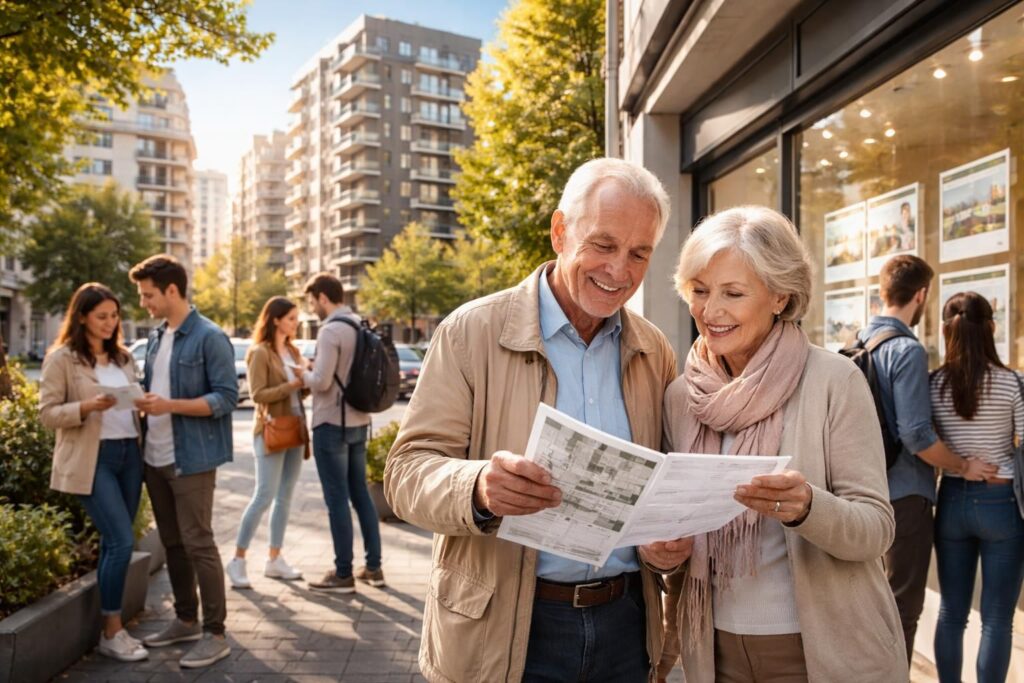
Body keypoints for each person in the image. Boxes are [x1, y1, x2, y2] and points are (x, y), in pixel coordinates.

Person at [385, 158, 690, 682]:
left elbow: (661, 486)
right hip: (507, 629)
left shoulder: (653, 348)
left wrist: (667, 547)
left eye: (639, 253)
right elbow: (406, 473)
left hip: (625, 625)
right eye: (603, 244)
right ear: (559, 232)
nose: (619, 271)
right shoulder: (469, 332)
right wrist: (477, 486)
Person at [660, 206, 905, 682]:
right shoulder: (679, 397)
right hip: (713, 653)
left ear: (779, 296)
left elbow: (876, 528)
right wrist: (660, 551)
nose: (711, 312)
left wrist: (807, 507)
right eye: (700, 291)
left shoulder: (835, 380)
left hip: (820, 653)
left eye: (733, 293)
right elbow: (674, 530)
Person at [857, 255, 994, 663]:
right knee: (901, 611)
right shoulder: (907, 350)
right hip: (906, 500)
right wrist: (962, 464)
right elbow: (916, 436)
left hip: (865, 490)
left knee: (870, 608)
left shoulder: (860, 341)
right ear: (921, 295)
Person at [129, 255, 238, 669]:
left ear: (171, 290)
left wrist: (170, 405)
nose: (144, 303)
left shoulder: (210, 337)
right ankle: (186, 619)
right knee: (172, 543)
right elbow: (152, 389)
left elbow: (226, 398)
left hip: (191, 459)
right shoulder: (157, 337)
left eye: (148, 295)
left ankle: (215, 632)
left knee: (199, 543)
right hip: (154, 458)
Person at [39, 283, 148, 662]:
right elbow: (47, 414)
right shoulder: (63, 359)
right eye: (101, 316)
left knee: (117, 541)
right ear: (82, 315)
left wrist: (142, 402)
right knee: (118, 539)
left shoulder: (123, 358)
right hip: (93, 458)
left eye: (114, 315)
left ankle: (110, 624)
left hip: (129, 456)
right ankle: (112, 632)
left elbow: (132, 402)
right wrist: (85, 406)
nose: (109, 322)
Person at [930, 291, 1024, 683]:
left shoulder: (933, 384)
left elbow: (925, 439)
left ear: (945, 331)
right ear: (991, 328)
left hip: (951, 498)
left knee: (952, 611)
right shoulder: (1011, 382)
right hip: (1001, 502)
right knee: (997, 618)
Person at [301, 273, 384, 592]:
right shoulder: (359, 324)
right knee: (360, 494)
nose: (313, 308)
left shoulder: (330, 330)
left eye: (312, 301)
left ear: (323, 297)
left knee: (336, 498)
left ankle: (343, 573)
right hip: (359, 420)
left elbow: (321, 381)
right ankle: (374, 567)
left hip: (331, 423)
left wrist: (303, 373)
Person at [225, 296, 309, 589]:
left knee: (285, 497)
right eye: (290, 318)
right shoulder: (260, 352)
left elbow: (299, 395)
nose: (295, 323)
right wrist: (293, 384)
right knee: (264, 495)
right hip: (271, 429)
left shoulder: (294, 351)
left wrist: (305, 382)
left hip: (296, 429)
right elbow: (258, 394)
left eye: (296, 318)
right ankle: (237, 560)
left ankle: (274, 559)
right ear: (275, 319)